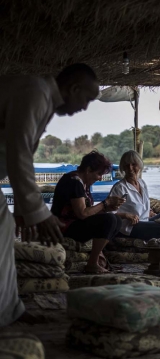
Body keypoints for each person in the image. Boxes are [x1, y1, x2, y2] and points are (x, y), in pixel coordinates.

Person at [0, 63, 100, 326]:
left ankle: (10, 311)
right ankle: (8, 313)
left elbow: (20, 153)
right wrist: (38, 213)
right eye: (87, 99)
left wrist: (23, 212)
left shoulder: (41, 98)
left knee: (4, 228)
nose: (85, 107)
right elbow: (18, 152)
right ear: (74, 88)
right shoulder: (35, 92)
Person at [51, 150, 125, 274]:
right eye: (99, 174)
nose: (100, 178)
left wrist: (107, 208)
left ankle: (96, 261)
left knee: (116, 220)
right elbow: (82, 213)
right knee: (110, 220)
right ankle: (92, 263)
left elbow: (89, 212)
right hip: (64, 227)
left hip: (76, 223)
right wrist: (105, 203)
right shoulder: (74, 181)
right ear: (88, 170)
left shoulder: (84, 183)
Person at [109, 150, 160, 241]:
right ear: (123, 168)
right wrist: (126, 215)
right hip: (130, 227)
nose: (130, 168)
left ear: (139, 165)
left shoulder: (142, 183)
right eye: (127, 165)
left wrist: (150, 211)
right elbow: (109, 214)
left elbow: (144, 204)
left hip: (146, 222)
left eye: (133, 164)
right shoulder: (119, 188)